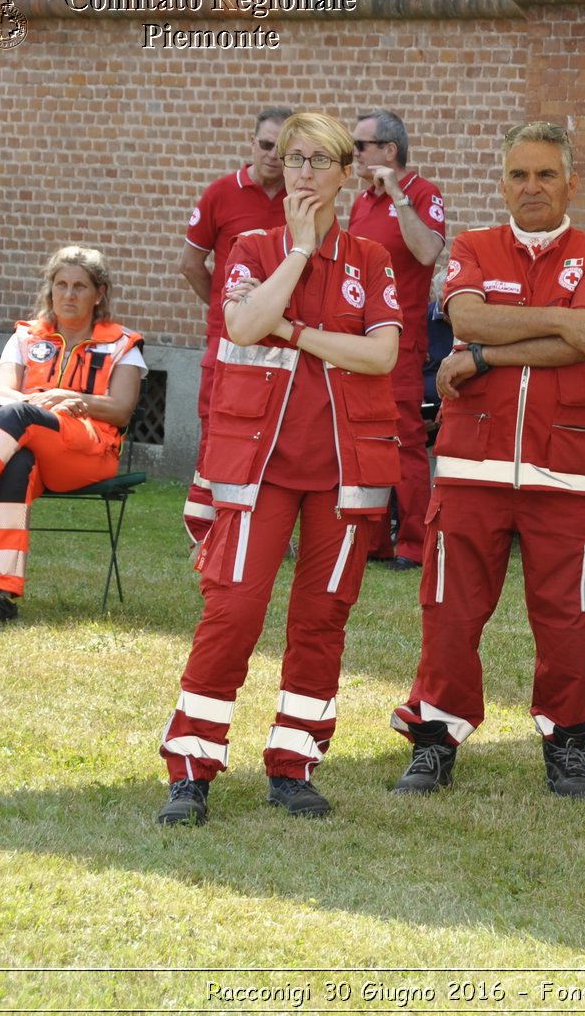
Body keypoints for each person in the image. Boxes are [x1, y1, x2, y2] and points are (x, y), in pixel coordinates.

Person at [157, 113, 401, 826]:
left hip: (344, 467)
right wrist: (296, 254)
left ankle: (294, 764)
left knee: (323, 617)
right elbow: (239, 324)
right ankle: (192, 767)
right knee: (231, 612)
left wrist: (294, 331)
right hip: (258, 467)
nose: (301, 172)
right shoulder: (253, 247)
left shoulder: (373, 259)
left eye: (319, 160)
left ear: (344, 174)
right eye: (293, 159)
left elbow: (381, 356)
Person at [390, 120, 585, 800]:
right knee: (450, 610)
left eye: (546, 174)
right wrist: (547, 321)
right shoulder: (471, 246)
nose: (532, 187)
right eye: (519, 175)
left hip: (566, 467)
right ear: (502, 182)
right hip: (472, 464)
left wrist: (489, 354)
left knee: (568, 617)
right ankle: (435, 738)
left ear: (571, 182)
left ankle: (568, 742)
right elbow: (465, 318)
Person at [0, 246, 145, 625]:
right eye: (60, 284)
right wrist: (42, 408)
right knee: (15, 462)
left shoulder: (121, 344)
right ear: (50, 290)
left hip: (89, 453)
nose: (68, 294)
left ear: (99, 293)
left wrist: (72, 398)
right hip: (34, 439)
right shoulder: (25, 337)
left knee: (16, 414)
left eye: (80, 286)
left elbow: (121, 409)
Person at [178, 106, 293, 548]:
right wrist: (225, 311)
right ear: (252, 144)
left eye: (283, 150)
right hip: (228, 341)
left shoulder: (299, 201)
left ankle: (265, 533)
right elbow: (190, 264)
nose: (272, 156)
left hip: (284, 339)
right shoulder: (221, 193)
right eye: (266, 145)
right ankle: (206, 532)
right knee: (219, 432)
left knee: (277, 437)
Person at [348, 109, 448, 572]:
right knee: (363, 437)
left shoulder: (423, 194)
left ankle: (413, 543)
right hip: (356, 339)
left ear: (389, 151)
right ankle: (373, 540)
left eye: (360, 147)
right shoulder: (360, 203)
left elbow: (429, 251)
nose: (354, 156)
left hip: (401, 339)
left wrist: (398, 197)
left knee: (405, 439)